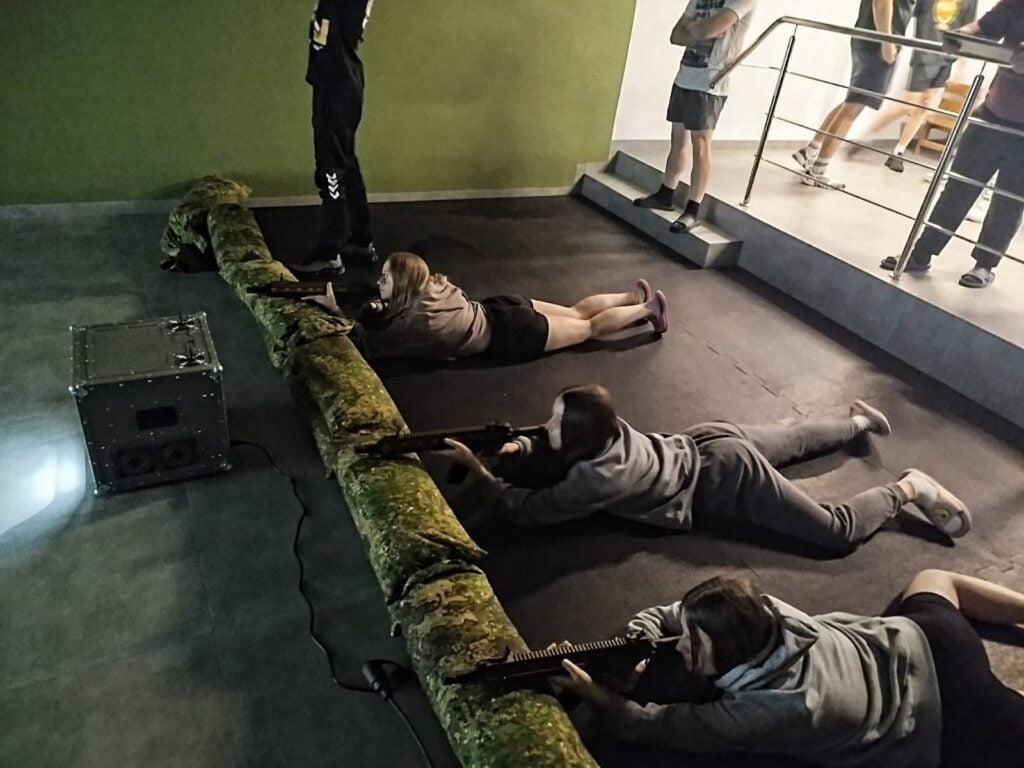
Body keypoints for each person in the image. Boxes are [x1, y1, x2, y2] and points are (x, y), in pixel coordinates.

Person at [555, 569, 1024, 767]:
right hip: (920, 641)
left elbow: (652, 727)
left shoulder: (775, 709)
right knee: (934, 578)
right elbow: (670, 616)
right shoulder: (758, 608)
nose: (679, 645)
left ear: (732, 654)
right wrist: (631, 643)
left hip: (948, 714)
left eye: (694, 645)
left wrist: (598, 695)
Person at [445, 384, 971, 554]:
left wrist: (481, 473)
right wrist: (519, 449)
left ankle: (909, 488)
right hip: (703, 438)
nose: (546, 425)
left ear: (582, 433)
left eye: (558, 420)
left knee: (833, 532)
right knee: (792, 439)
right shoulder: (607, 427)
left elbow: (528, 511)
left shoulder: (599, 478)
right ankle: (858, 422)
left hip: (718, 476)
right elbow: (551, 447)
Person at [880, 0, 1024, 289]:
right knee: (957, 188)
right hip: (993, 113)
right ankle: (920, 253)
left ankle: (985, 264)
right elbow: (985, 27)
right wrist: (962, 35)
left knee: (1009, 201)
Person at [313, 252, 670, 362]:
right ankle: (629, 297)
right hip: (502, 307)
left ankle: (648, 309)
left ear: (404, 285)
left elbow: (366, 345)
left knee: (588, 328)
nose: (379, 283)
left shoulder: (416, 323)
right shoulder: (435, 284)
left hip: (513, 334)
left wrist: (334, 310)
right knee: (576, 310)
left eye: (386, 278)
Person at [632, 0, 758, 233]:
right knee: (677, 142)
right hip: (684, 77)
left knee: (701, 147)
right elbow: (675, 35)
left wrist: (695, 28)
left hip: (710, 83)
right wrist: (699, 31)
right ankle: (665, 195)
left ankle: (693, 210)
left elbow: (708, 30)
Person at [794, 0, 917, 189]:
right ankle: (818, 171)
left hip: (871, 37)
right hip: (878, 42)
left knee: (851, 102)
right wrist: (887, 42)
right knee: (853, 107)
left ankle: (811, 151)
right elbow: (881, 2)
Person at [849, 0, 978, 173]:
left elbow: (968, 28)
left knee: (927, 106)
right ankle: (864, 137)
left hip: (947, 57)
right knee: (909, 103)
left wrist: (962, 64)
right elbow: (915, 14)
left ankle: (898, 152)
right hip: (925, 53)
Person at [302, 0, 376, 274]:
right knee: (345, 162)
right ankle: (360, 240)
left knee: (331, 168)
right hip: (339, 82)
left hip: (336, 85)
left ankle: (330, 252)